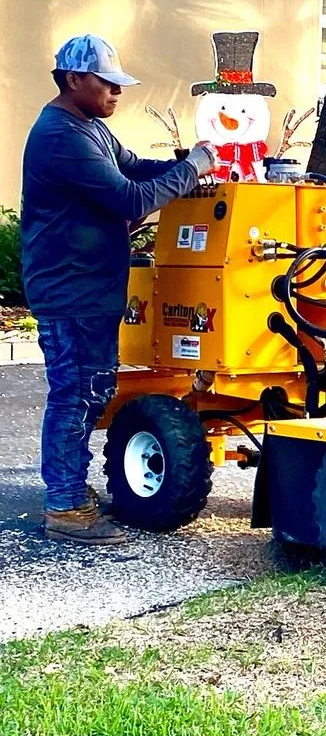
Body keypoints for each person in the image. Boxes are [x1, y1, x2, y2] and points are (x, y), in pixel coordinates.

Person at [20, 34, 219, 545]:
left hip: (90, 285)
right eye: (106, 84)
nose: (116, 93)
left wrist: (188, 169)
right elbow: (129, 199)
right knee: (77, 393)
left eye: (118, 85)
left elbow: (135, 168)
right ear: (73, 80)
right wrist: (194, 167)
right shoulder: (62, 136)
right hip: (71, 289)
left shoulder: (91, 129)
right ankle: (65, 506)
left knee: (92, 390)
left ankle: (70, 494)